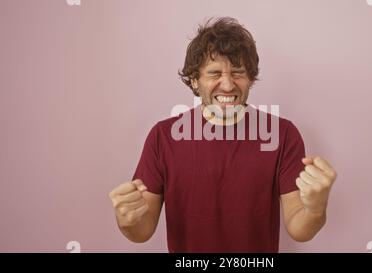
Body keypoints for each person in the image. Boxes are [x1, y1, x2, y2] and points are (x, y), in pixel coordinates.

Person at [108, 17, 337, 252]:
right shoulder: (163, 137)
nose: (227, 85)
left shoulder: (283, 134)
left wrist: (315, 209)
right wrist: (128, 219)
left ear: (250, 79)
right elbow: (141, 232)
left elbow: (300, 229)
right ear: (195, 81)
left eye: (238, 72)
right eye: (214, 73)